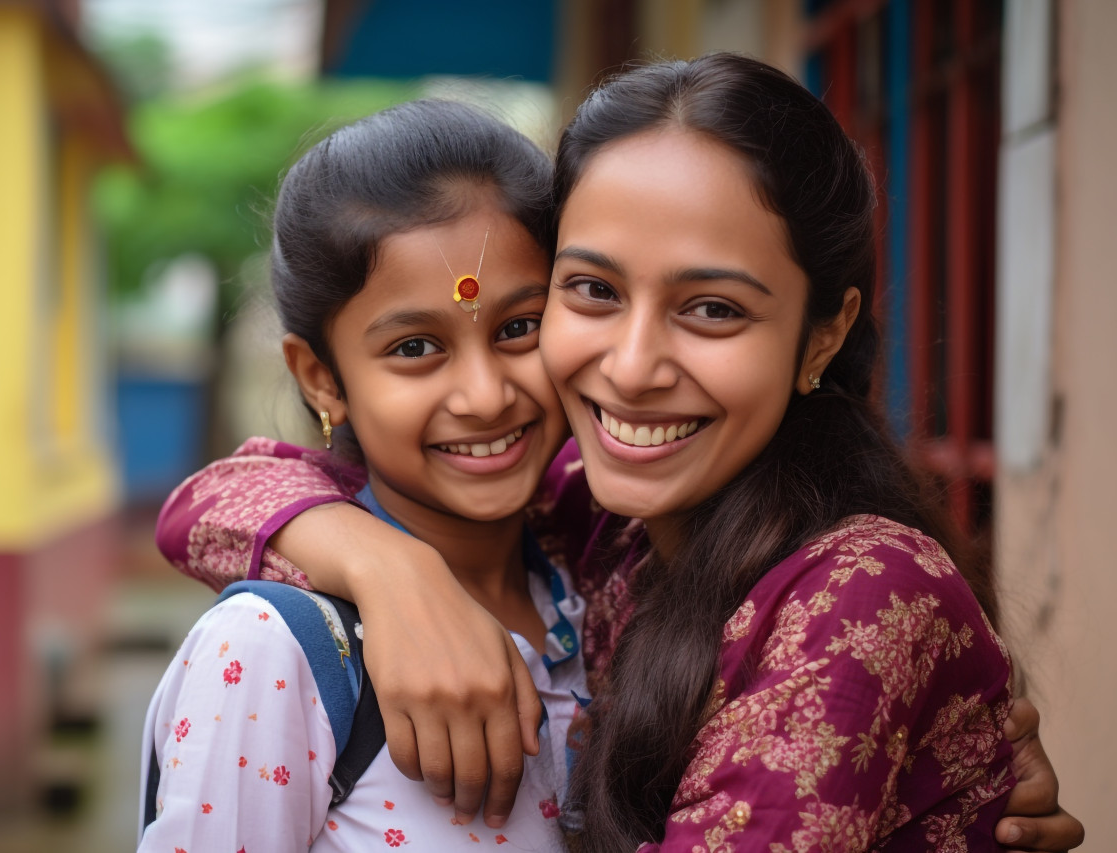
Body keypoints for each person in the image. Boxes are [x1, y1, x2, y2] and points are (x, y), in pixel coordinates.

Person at [156, 55, 1084, 851]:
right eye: (594, 289)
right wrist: (392, 572)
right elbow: (209, 501)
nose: (633, 369)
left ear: (822, 334)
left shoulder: (864, 592)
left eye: (712, 308)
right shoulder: (600, 532)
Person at [138, 99, 588, 851]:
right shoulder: (270, 653)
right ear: (321, 379)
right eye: (415, 348)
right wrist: (394, 573)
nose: (485, 395)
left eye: (519, 327)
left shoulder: (598, 574)